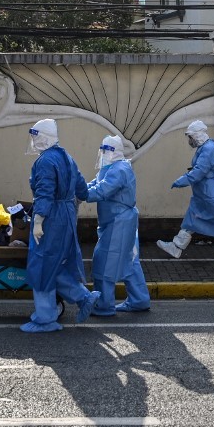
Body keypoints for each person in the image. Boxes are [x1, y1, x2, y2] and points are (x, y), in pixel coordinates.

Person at [22, 118, 101, 333]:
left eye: (35, 136)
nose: (34, 140)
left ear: (44, 137)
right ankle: (83, 297)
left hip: (51, 217)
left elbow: (44, 193)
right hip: (66, 215)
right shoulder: (67, 157)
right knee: (57, 263)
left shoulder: (45, 161)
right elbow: (82, 190)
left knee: (43, 264)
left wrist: (38, 220)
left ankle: (45, 318)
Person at [157, 120, 214, 263]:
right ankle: (176, 246)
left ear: (197, 136)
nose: (189, 140)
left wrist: (181, 181)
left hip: (210, 193)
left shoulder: (208, 149)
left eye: (190, 137)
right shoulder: (206, 147)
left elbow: (199, 171)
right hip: (205, 192)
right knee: (193, 217)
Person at [86, 135, 151, 315]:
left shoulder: (120, 169)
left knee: (105, 260)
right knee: (129, 261)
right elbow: (95, 184)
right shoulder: (110, 168)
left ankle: (104, 305)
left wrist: (80, 194)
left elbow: (103, 189)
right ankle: (139, 299)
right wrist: (80, 189)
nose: (103, 154)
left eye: (106, 150)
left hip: (119, 222)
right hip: (118, 221)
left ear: (114, 152)